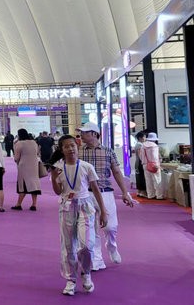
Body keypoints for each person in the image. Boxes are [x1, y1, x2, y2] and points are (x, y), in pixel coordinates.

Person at [51, 135, 107, 296]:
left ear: (77, 147)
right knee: (68, 246)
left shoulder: (86, 166)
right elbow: (58, 191)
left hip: (85, 206)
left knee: (87, 244)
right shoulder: (58, 167)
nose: (70, 149)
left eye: (73, 145)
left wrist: (103, 211)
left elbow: (95, 189)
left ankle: (86, 273)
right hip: (66, 207)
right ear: (62, 150)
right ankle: (71, 280)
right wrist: (54, 177)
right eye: (66, 146)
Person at [77, 122, 134, 271]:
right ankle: (96, 260)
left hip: (105, 192)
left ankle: (111, 246)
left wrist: (125, 192)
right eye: (81, 133)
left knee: (110, 226)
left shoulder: (108, 151)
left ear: (94, 134)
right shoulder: (79, 152)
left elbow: (116, 171)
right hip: (86, 193)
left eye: (85, 132)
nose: (81, 135)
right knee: (92, 228)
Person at [12, 128, 41, 211]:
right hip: (34, 166)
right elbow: (37, 153)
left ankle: (18, 204)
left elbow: (16, 157)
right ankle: (34, 204)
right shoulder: (34, 142)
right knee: (34, 185)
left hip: (23, 166)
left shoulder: (19, 143)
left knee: (22, 185)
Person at [141, 132, 163, 200]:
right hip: (154, 165)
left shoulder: (143, 145)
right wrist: (158, 165)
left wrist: (144, 162)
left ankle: (150, 195)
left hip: (145, 164)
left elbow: (141, 156)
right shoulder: (154, 146)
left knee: (148, 181)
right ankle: (159, 195)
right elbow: (155, 157)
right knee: (157, 180)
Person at [132, 132, 147, 198]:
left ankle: (139, 191)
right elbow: (140, 155)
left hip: (138, 162)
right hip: (140, 162)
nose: (145, 138)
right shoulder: (140, 145)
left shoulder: (137, 144)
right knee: (141, 177)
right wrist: (144, 162)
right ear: (140, 138)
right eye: (144, 137)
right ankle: (143, 192)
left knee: (138, 177)